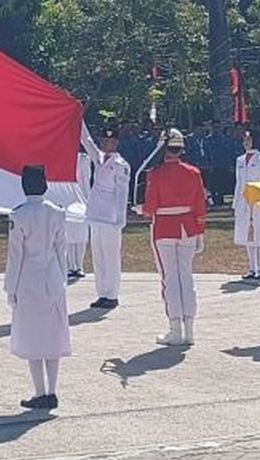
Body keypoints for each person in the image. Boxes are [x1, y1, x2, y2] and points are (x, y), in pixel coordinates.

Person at [4, 165, 71, 410]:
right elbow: (60, 250)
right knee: (52, 335)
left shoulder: (18, 215)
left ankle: (40, 392)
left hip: (28, 279)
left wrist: (10, 288)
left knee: (32, 338)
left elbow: (15, 256)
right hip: (52, 276)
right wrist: (62, 278)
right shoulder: (56, 212)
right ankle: (51, 391)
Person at [141, 130, 207, 346]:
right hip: (187, 228)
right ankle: (189, 329)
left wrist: (140, 210)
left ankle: (175, 328)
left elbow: (150, 208)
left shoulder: (155, 174)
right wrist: (200, 231)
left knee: (169, 278)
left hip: (164, 229)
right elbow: (200, 206)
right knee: (185, 277)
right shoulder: (193, 172)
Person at [81, 126, 130, 309]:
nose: (106, 144)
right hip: (95, 215)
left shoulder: (120, 164)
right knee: (98, 257)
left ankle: (112, 294)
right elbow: (86, 141)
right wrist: (78, 116)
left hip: (110, 217)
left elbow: (122, 192)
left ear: (116, 142)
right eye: (104, 140)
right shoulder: (99, 158)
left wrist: (120, 218)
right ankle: (102, 293)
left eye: (110, 141)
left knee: (111, 257)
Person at [232, 131, 260, 281]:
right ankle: (251, 267)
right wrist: (236, 203)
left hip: (258, 201)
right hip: (244, 201)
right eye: (244, 140)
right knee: (247, 235)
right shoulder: (240, 160)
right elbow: (238, 183)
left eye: (249, 140)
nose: (246, 143)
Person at [64, 145, 92, 280]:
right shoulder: (64, 159)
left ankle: (79, 266)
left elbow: (86, 182)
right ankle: (70, 266)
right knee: (69, 235)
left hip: (83, 201)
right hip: (68, 200)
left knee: (81, 235)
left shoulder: (85, 160)